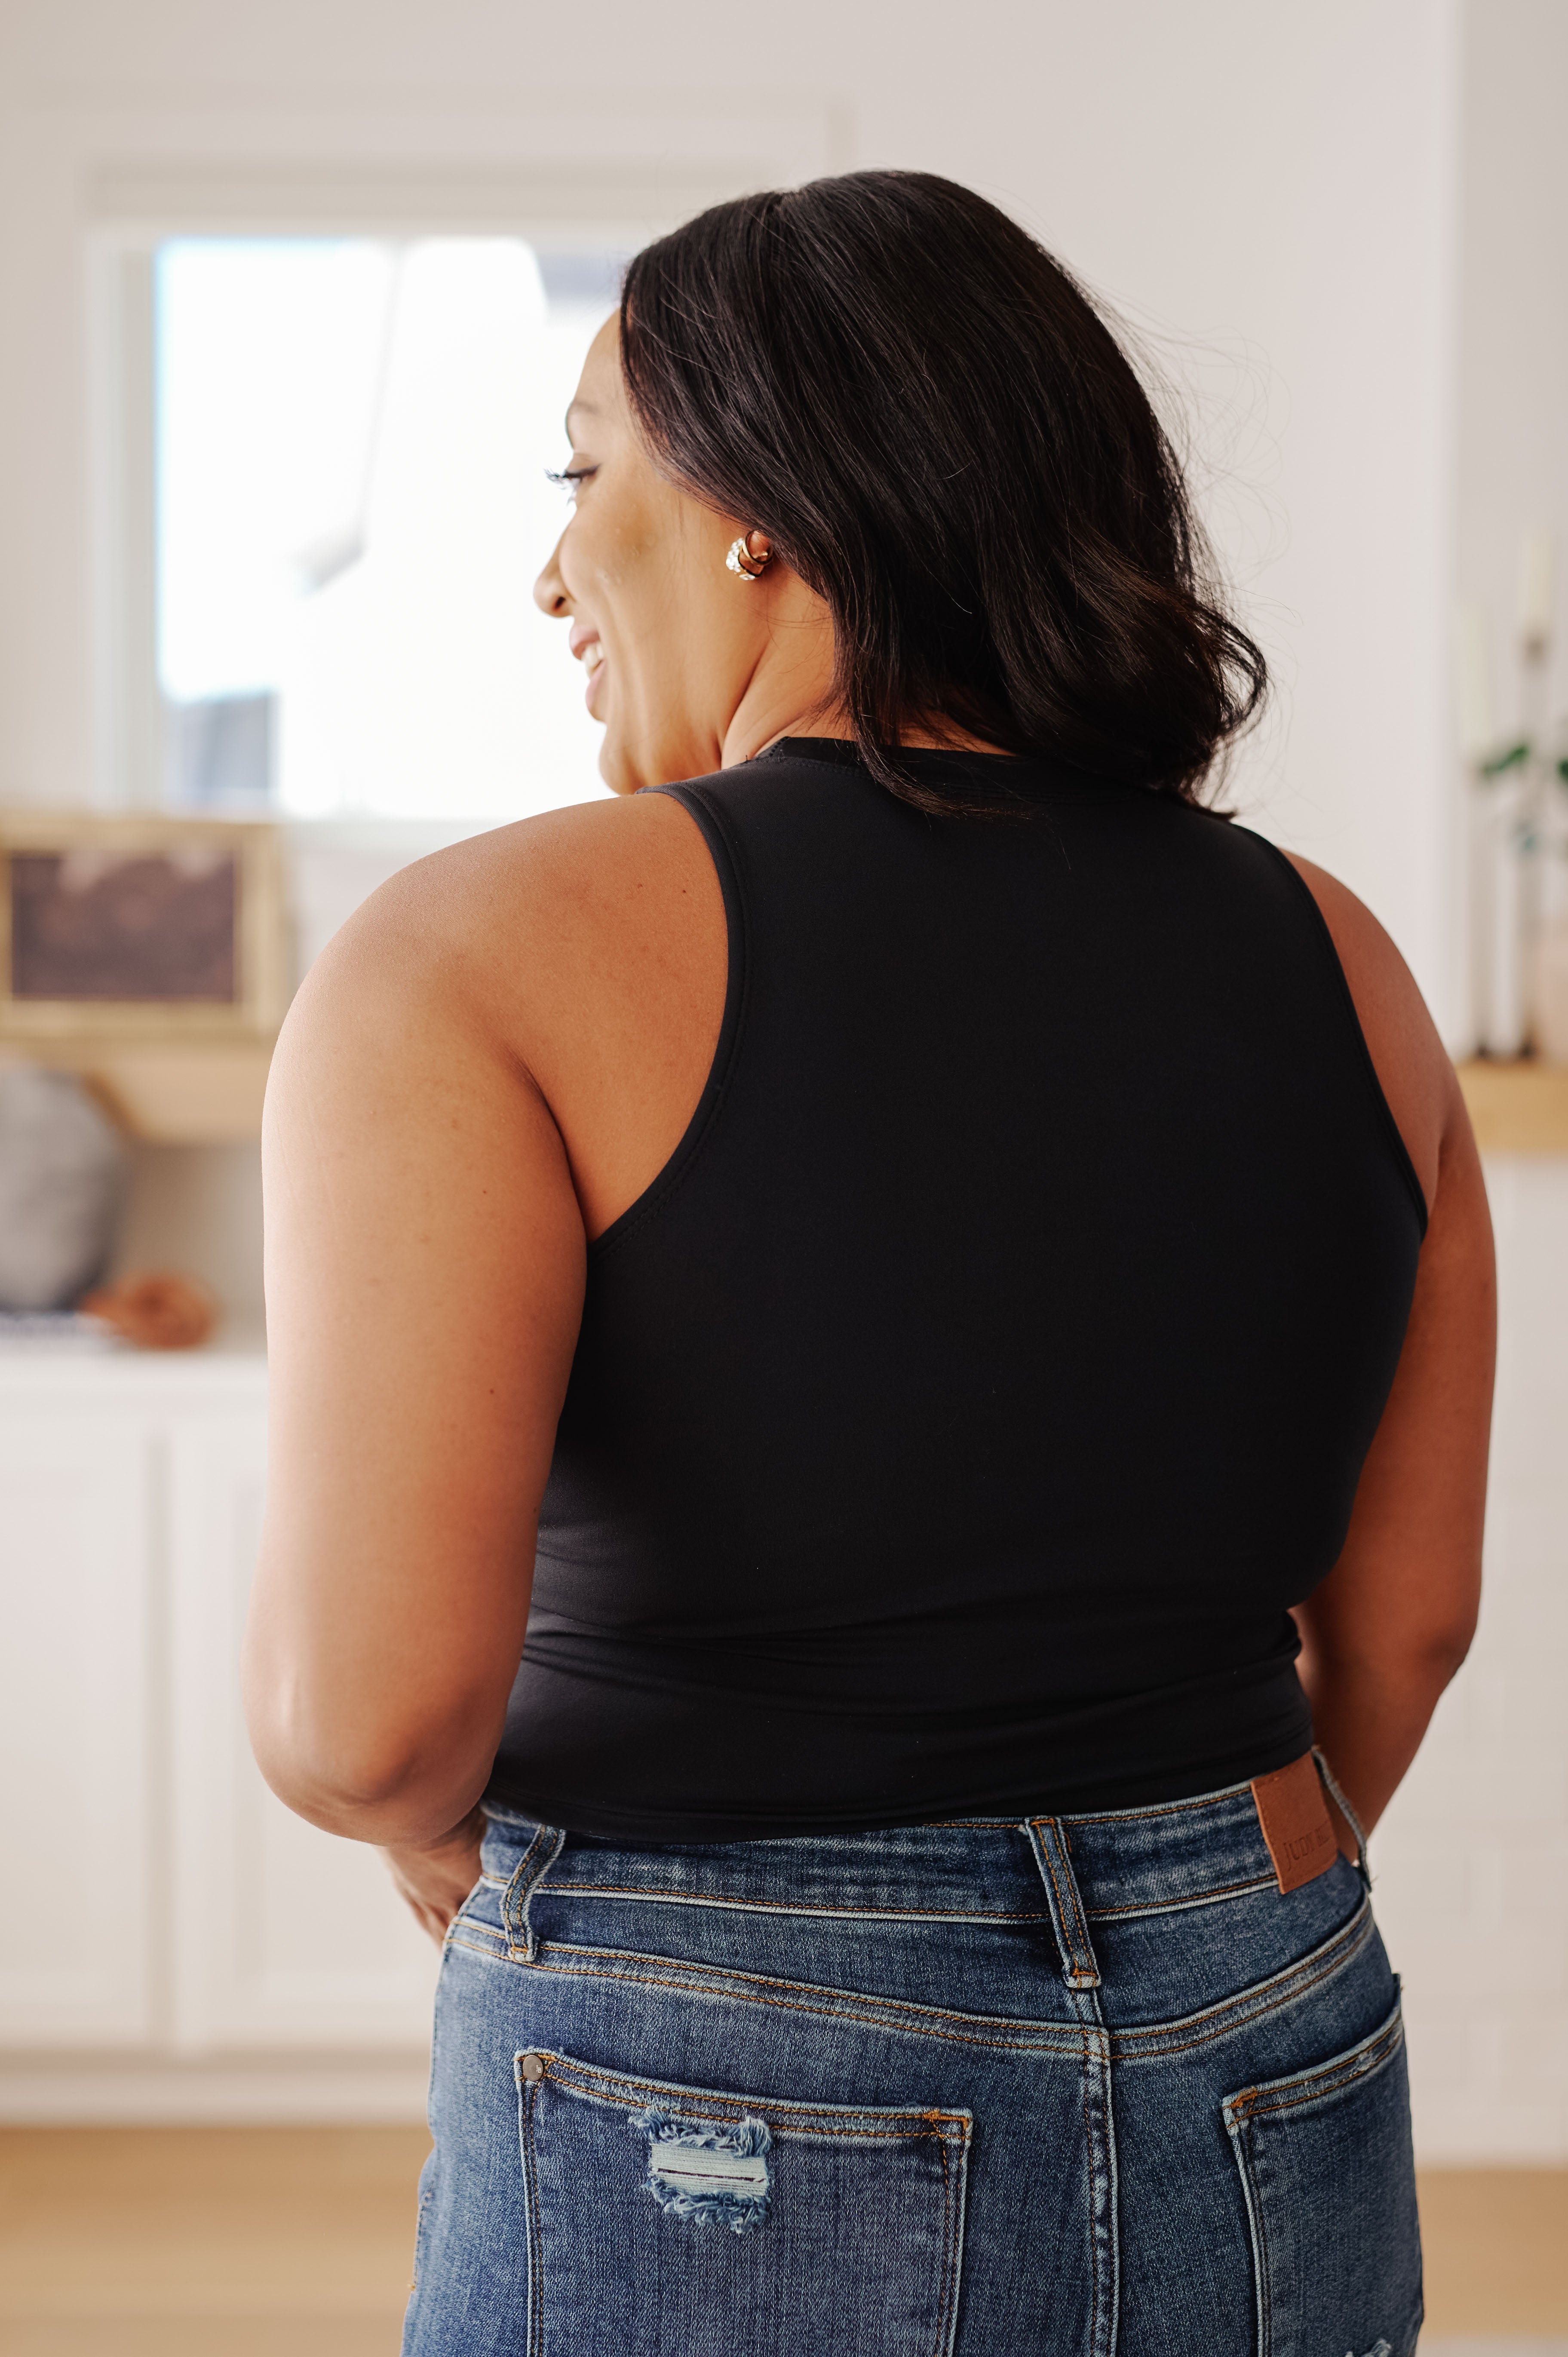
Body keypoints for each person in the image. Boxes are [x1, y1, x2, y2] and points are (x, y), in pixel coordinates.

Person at [244, 171, 1494, 2357]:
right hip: (1270, 2032)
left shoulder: (478, 951)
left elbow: (369, 1725)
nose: (553, 568)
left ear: (760, 509)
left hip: (708, 2066)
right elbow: (1403, 1628)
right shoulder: (1347, 957)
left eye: (583, 472)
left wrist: (443, 1839)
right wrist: (1171, 1921)